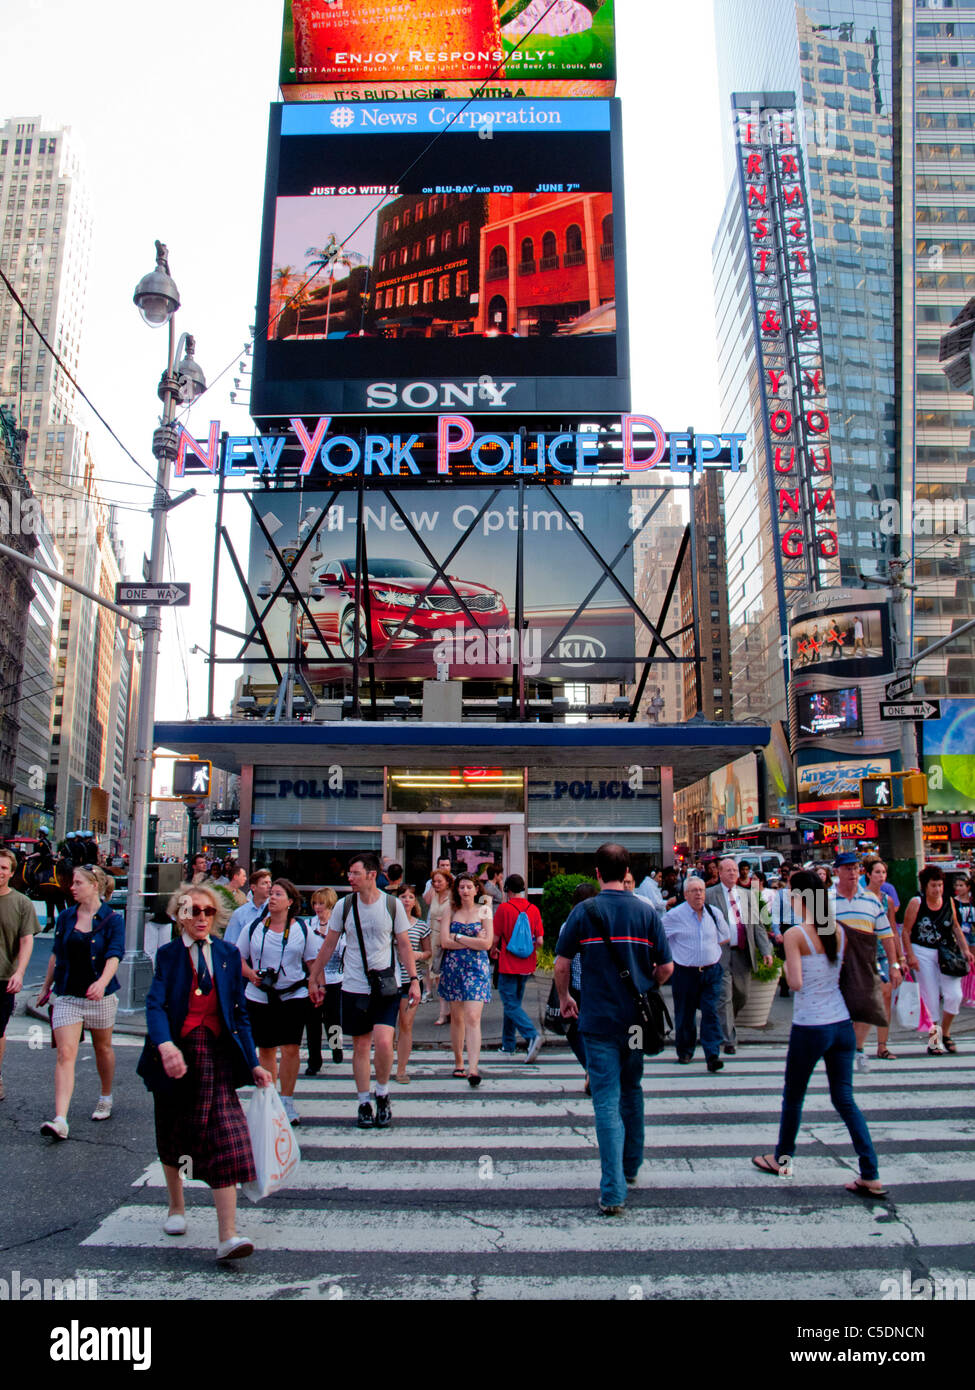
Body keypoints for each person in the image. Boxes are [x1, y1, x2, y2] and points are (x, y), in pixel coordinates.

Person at [137, 882, 273, 1261]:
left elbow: (240, 1016)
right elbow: (155, 1005)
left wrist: (254, 1063)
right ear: (180, 915)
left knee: (226, 1136)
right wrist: (165, 1046)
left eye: (208, 912)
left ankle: (228, 1234)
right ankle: (176, 1206)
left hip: (216, 1057)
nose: (201, 918)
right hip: (176, 1054)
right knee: (172, 1131)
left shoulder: (228, 955)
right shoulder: (167, 955)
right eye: (193, 911)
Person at [554, 843, 673, 1216]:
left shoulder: (583, 913)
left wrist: (565, 998)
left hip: (599, 1020)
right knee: (632, 1088)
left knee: (605, 1098)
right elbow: (667, 968)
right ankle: (631, 1165)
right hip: (636, 1022)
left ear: (596, 873)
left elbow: (561, 964)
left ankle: (613, 1190)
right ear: (627, 872)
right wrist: (645, 981)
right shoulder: (646, 912)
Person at [751, 870, 885, 1196]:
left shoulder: (797, 933)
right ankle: (870, 1172)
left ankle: (782, 1158)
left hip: (810, 1025)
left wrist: (783, 961)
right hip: (841, 1025)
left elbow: (795, 983)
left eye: (792, 894)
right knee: (844, 1098)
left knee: (794, 1096)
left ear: (800, 898)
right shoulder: (837, 930)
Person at [308, 853, 420, 1129]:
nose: (349, 877)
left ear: (372, 874)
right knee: (360, 1045)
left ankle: (382, 1093)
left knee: (383, 1042)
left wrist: (414, 979)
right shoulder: (344, 906)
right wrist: (314, 976)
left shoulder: (391, 905)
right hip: (354, 984)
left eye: (355, 873)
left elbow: (404, 945)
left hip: (385, 984)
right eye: (349, 873)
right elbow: (330, 944)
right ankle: (363, 1101)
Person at [36, 866, 125, 1138]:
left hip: (101, 996)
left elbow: (114, 954)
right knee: (65, 1054)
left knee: (103, 1048)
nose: (71, 887)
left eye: (77, 883)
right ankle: (60, 1119)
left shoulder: (112, 919)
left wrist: (101, 982)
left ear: (95, 886)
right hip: (68, 996)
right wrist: (45, 988)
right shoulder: (65, 917)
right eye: (72, 883)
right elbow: (55, 955)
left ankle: (106, 1095)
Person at [236, 879, 318, 1126]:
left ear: (290, 902)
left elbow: (313, 962)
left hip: (293, 995)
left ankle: (287, 1099)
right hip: (259, 995)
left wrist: (317, 985)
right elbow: (238, 957)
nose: (272, 898)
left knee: (291, 1048)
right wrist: (251, 974)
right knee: (266, 1049)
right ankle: (269, 1099)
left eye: (278, 894)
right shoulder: (253, 928)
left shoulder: (301, 930)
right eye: (271, 893)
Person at [830, 852, 898, 1073]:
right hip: (836, 963)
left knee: (868, 1006)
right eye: (847, 868)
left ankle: (858, 1048)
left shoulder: (871, 900)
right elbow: (818, 937)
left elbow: (887, 935)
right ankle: (842, 1049)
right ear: (836, 872)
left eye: (855, 868)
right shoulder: (825, 900)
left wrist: (895, 964)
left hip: (865, 962)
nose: (852, 872)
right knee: (839, 1011)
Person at [903, 864, 974, 1055]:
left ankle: (947, 1032)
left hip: (947, 952)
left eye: (940, 885)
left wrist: (965, 950)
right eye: (934, 885)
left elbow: (956, 927)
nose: (937, 889)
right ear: (926, 886)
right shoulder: (916, 903)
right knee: (931, 997)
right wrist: (910, 955)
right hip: (923, 951)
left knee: (954, 995)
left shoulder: (949, 902)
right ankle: (934, 1039)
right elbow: (906, 931)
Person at [707, 856, 773, 1055]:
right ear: (719, 873)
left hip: (743, 952)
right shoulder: (710, 894)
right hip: (721, 953)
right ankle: (729, 1039)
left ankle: (727, 1022)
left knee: (742, 995)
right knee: (724, 996)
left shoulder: (748, 895)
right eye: (728, 870)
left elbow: (758, 926)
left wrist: (766, 951)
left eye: (735, 870)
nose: (733, 873)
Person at [663, 876, 730, 1071]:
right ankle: (685, 1051)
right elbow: (659, 938)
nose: (699, 894)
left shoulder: (713, 912)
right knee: (685, 1013)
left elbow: (724, 937)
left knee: (710, 1011)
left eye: (701, 890)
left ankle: (712, 1054)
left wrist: (707, 950)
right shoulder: (674, 916)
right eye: (694, 890)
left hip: (711, 971)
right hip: (685, 972)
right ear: (685, 895)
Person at [439, 873, 493, 1085]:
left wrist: (459, 938)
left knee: (472, 1016)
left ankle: (473, 1068)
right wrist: (473, 941)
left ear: (477, 889)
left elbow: (487, 943)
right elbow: (444, 942)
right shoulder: (449, 909)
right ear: (457, 890)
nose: (465, 891)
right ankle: (459, 1061)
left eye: (469, 887)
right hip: (454, 968)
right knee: (457, 1016)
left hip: (477, 969)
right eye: (462, 887)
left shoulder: (485, 909)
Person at [0, 847, 41, 1102]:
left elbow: (27, 941)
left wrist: (20, 972)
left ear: (12, 872)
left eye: (4, 868)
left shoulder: (21, 903)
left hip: (4, 978)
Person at [492, 873, 545, 1062]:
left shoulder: (504, 909)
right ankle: (508, 1044)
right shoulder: (534, 909)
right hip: (527, 963)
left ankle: (532, 1035)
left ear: (507, 890)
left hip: (508, 962)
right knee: (514, 1004)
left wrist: (493, 951)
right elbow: (539, 941)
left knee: (509, 1003)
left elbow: (495, 937)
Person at [859, 858, 906, 1060]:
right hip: (865, 953)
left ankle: (882, 1045)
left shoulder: (886, 899)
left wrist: (900, 958)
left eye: (883, 873)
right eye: (877, 872)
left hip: (883, 952)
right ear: (868, 874)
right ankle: (858, 1043)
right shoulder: (860, 896)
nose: (881, 876)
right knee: (866, 998)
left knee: (886, 995)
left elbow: (892, 929)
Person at [394, 884, 431, 1083]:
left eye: (410, 897)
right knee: (386, 1027)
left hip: (411, 980)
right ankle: (385, 1063)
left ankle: (401, 1069)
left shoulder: (421, 926)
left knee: (406, 1025)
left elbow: (428, 953)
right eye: (402, 896)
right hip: (389, 979)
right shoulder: (389, 923)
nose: (406, 900)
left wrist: (417, 954)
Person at [303, 888, 341, 1076]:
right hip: (315, 978)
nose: (318, 907)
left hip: (335, 979)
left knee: (333, 1019)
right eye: (315, 903)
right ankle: (314, 1060)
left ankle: (336, 1046)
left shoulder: (338, 925)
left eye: (321, 904)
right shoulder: (309, 925)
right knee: (312, 1021)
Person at [427, 868, 455, 1026]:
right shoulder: (434, 895)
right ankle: (443, 1011)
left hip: (448, 939)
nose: (436, 884)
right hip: (434, 938)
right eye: (434, 882)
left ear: (448, 882)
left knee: (448, 976)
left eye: (439, 881)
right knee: (437, 976)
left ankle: (452, 1010)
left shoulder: (453, 897)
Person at [224, 869, 272, 948]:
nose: (269, 886)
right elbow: (231, 944)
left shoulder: (275, 912)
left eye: (270, 883)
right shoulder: (239, 913)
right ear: (253, 887)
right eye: (264, 883)